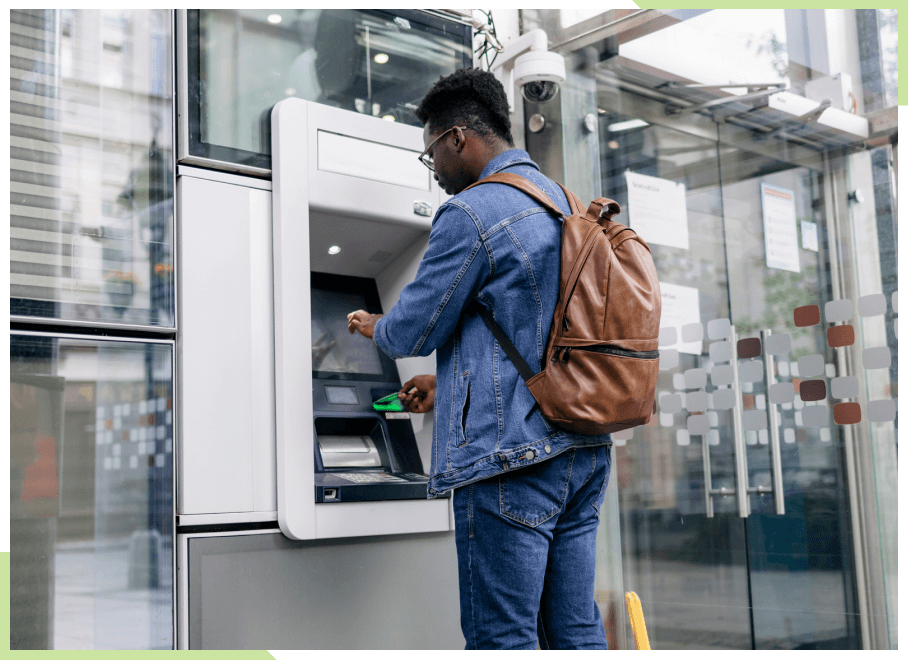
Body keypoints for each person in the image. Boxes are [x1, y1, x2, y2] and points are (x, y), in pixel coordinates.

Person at [347, 67, 612, 650]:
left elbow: (412, 328)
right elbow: (535, 327)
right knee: (574, 629)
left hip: (511, 461)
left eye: (431, 154)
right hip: (583, 450)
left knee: (503, 638)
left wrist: (374, 326)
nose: (434, 169)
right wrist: (450, 383)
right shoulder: (566, 204)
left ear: (457, 138)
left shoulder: (472, 212)